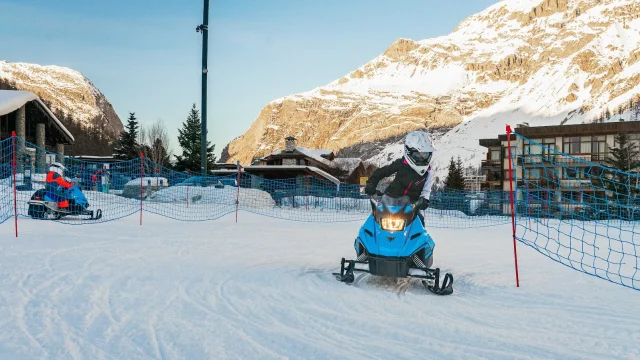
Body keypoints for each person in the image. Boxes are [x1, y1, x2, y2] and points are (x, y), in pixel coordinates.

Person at [364, 130, 436, 222]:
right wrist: (371, 183)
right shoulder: (401, 164)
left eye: (425, 154)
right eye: (418, 154)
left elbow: (426, 190)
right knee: (372, 224)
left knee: (420, 228)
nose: (421, 157)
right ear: (408, 152)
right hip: (389, 203)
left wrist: (424, 200)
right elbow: (382, 172)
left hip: (412, 209)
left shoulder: (427, 172)